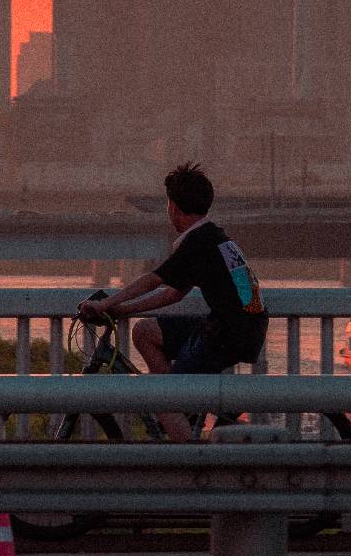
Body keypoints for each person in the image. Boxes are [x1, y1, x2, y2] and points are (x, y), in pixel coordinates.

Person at [76, 164, 266, 440]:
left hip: (227, 333)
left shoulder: (198, 242)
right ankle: (182, 413)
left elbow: (154, 279)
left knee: (165, 399)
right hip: (240, 327)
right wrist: (122, 310)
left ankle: (188, 461)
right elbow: (173, 292)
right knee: (145, 332)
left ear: (173, 207)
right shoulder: (212, 236)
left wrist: (106, 305)